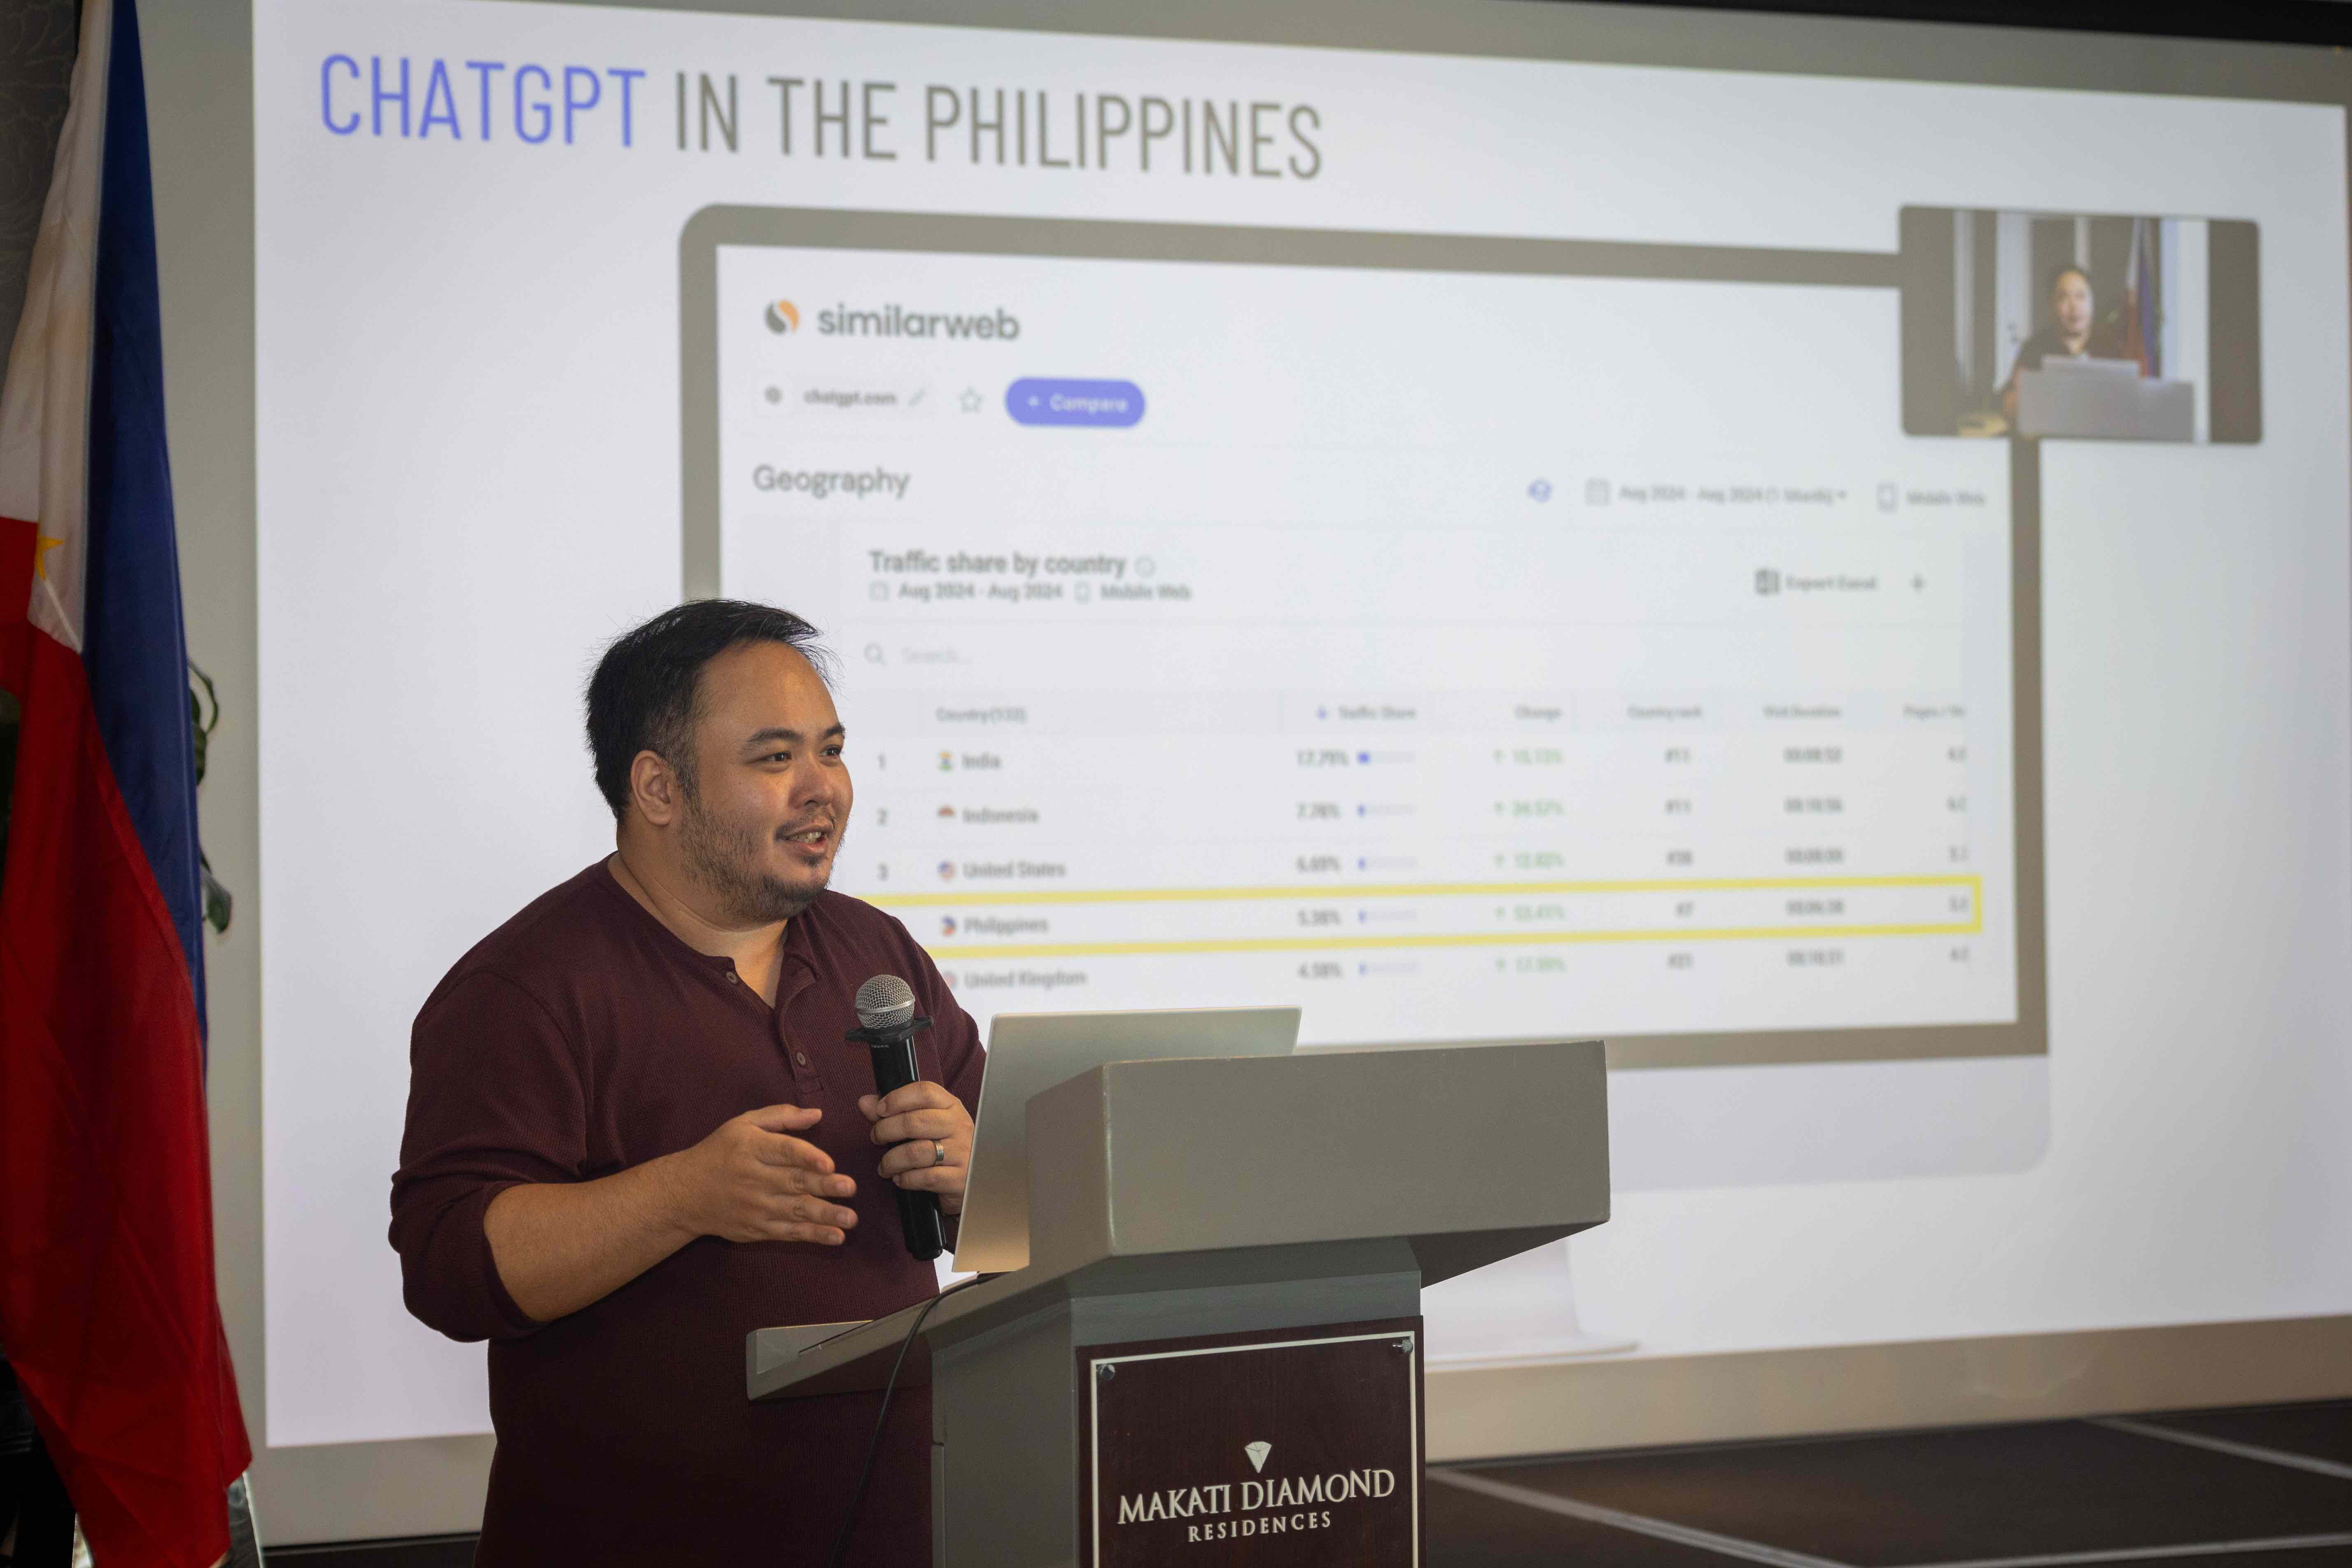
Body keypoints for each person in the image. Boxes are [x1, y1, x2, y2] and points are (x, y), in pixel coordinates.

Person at [390, 600, 982, 1566]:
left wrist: (975, 1171)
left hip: (897, 1529)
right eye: (774, 757)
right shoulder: (528, 987)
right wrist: (682, 1195)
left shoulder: (876, 952)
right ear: (658, 788)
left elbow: (1017, 1207)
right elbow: (450, 1268)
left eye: (830, 750)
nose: (822, 788)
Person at [2000, 263, 2129, 425]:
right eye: (2064, 297)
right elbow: (2010, 406)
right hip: (2050, 440)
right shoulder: (2035, 349)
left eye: (2081, 297)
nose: (2074, 307)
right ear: (2052, 304)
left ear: (2092, 302)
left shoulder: (2111, 348)